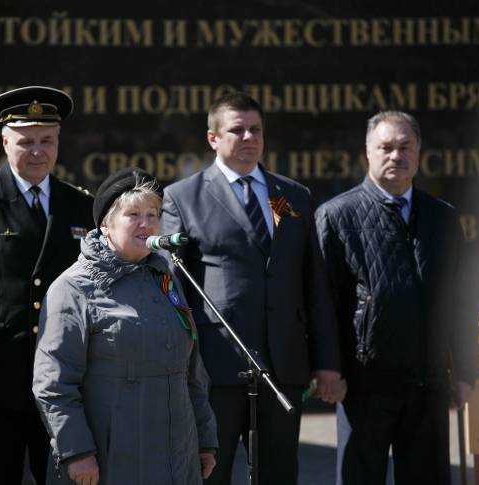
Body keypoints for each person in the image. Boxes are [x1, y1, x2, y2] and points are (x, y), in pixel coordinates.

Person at [161, 91, 343, 485]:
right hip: (216, 367)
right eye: (237, 130)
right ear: (213, 138)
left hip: (282, 365)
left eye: (256, 130)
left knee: (278, 474)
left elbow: (313, 283)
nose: (248, 138)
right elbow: (172, 288)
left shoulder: (290, 196)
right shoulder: (182, 197)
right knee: (210, 473)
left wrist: (327, 361)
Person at [0, 86, 94, 484]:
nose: (38, 151)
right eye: (26, 142)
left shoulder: (79, 203)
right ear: (5, 142)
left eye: (47, 141)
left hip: (63, 376)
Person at [315, 111, 479, 484]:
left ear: (419, 153)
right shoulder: (337, 216)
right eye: (386, 147)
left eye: (405, 147)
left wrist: (465, 369)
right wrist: (328, 368)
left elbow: (461, 300)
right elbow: (323, 303)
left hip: (428, 381)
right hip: (363, 383)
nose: (396, 156)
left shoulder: (442, 217)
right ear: (367, 153)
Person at [33, 168, 218, 485]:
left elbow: (191, 370)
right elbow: (53, 383)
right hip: (111, 460)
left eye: (153, 215)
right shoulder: (73, 288)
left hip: (178, 456)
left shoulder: (166, 280)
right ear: (105, 224)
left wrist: (205, 439)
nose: (146, 224)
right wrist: (77, 452)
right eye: (133, 215)